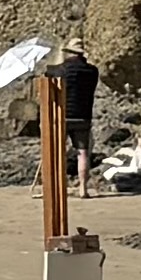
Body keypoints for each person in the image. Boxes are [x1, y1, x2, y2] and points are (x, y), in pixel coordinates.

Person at [56, 38, 100, 197]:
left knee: (58, 152)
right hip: (83, 115)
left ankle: (60, 187)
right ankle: (83, 188)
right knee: (83, 153)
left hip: (63, 115)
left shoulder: (62, 69)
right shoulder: (92, 71)